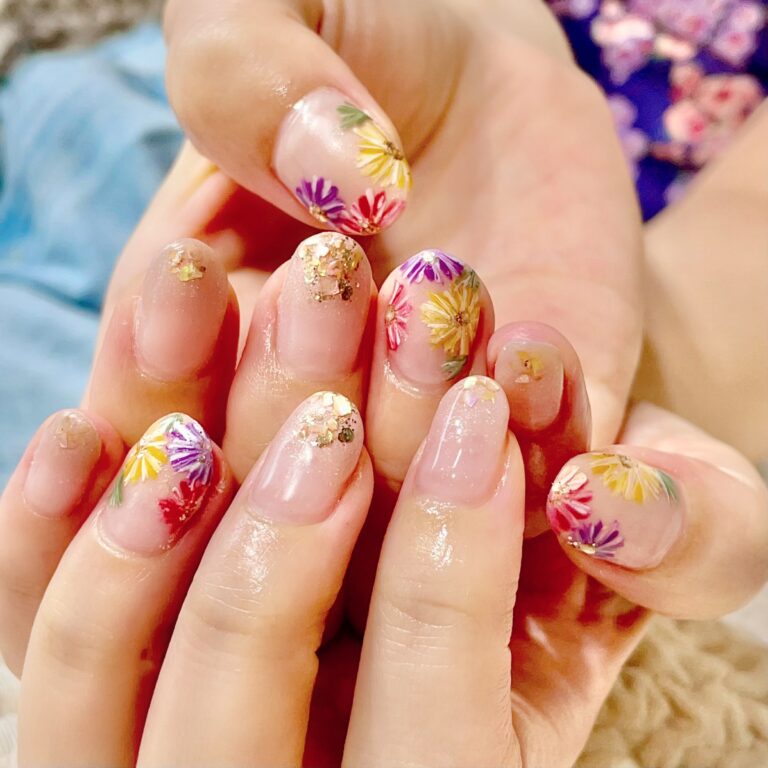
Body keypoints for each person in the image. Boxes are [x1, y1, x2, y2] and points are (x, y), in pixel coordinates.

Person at [0, 0, 766, 764]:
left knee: (109, 579)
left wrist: (605, 365)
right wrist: (474, 60)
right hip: (162, 143)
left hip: (212, 347)